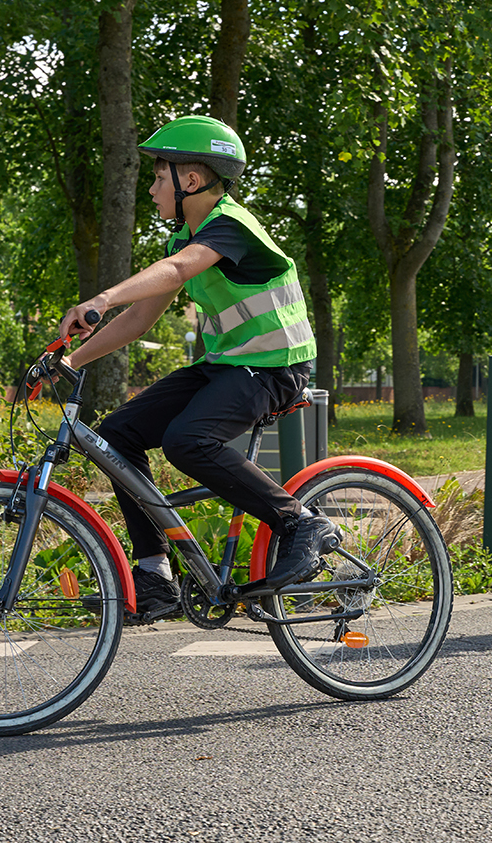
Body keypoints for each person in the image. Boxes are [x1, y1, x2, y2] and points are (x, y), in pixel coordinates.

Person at [52, 115, 333, 623]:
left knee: (187, 440)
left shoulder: (230, 226)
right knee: (116, 436)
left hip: (275, 369)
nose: (153, 189)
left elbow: (178, 271)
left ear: (192, 181)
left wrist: (101, 297)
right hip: (226, 366)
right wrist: (69, 360)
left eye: (160, 178)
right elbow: (140, 320)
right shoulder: (183, 239)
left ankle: (299, 522)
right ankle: (155, 575)